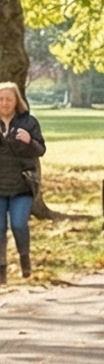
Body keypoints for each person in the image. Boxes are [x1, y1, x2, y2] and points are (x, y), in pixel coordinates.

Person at [0, 81, 45, 282]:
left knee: (19, 225)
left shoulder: (29, 122)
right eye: (1, 99)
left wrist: (29, 141)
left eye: (9, 99)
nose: (4, 103)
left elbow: (41, 150)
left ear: (17, 101)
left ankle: (24, 259)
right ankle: (1, 269)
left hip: (22, 186)